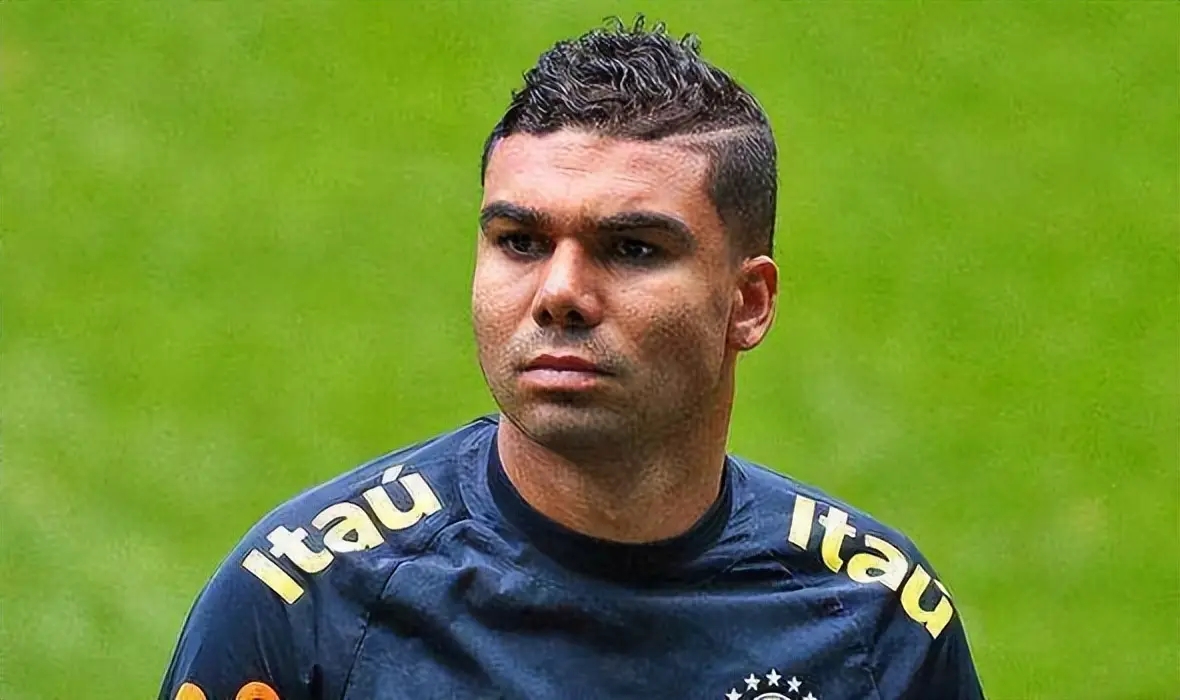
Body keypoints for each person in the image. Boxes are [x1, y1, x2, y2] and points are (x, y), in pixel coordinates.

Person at [159, 17, 984, 700]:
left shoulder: (871, 619)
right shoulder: (311, 603)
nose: (560, 292)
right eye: (520, 241)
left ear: (748, 302)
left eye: (631, 248)